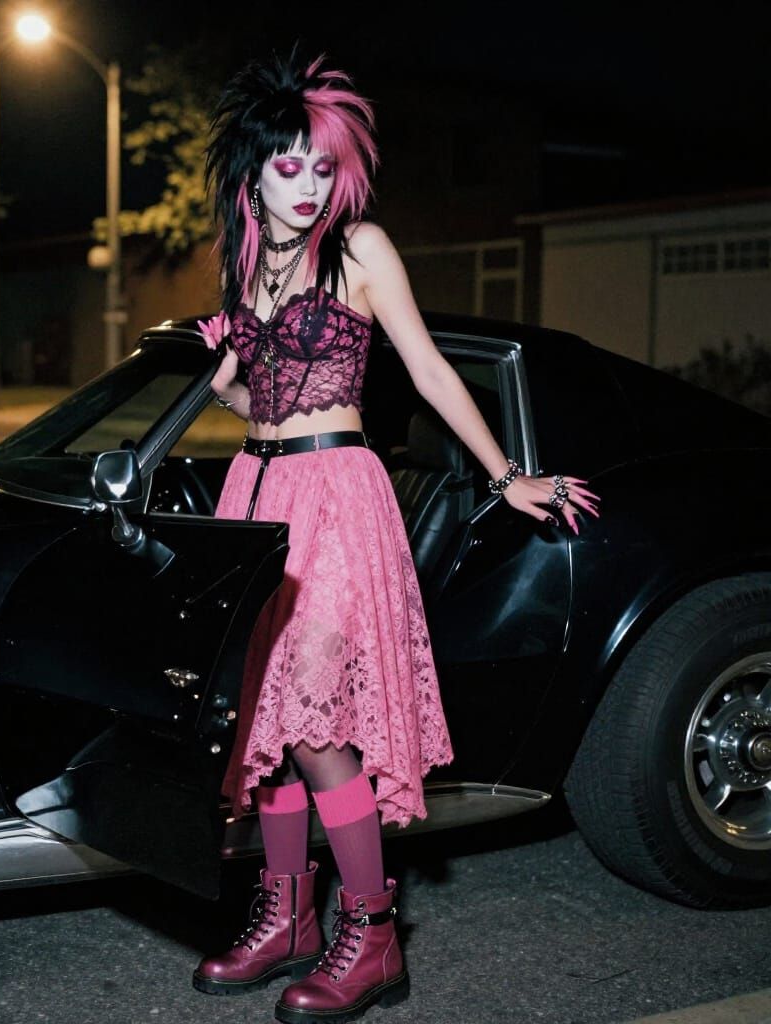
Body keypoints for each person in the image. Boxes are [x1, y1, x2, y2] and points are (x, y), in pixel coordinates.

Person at [191, 49, 600, 1024]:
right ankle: (286, 915)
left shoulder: (360, 249)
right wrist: (219, 371)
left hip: (338, 492)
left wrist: (508, 475)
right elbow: (253, 395)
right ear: (251, 173)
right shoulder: (247, 261)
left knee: (322, 724)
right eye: (284, 165)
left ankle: (370, 931)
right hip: (255, 491)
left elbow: (426, 372)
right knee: (272, 724)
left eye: (320, 165)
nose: (305, 184)